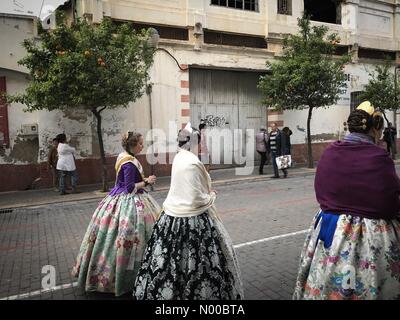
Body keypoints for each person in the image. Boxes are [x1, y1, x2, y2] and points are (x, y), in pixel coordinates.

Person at [293, 101, 400, 300]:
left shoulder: (329, 153)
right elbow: (389, 204)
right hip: (372, 237)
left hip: (332, 232)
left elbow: (321, 193)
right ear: (374, 128)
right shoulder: (379, 158)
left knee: (325, 283)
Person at [134, 125, 244, 300]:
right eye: (200, 142)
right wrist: (211, 196)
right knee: (202, 262)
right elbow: (195, 199)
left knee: (169, 261)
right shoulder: (192, 163)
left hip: (171, 216)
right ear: (194, 143)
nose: (202, 146)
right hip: (193, 219)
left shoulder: (180, 157)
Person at [71, 131, 161, 296]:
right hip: (128, 202)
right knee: (130, 235)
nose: (142, 146)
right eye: (140, 143)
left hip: (117, 197)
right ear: (132, 145)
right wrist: (147, 181)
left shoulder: (124, 156)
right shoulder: (128, 162)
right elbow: (129, 188)